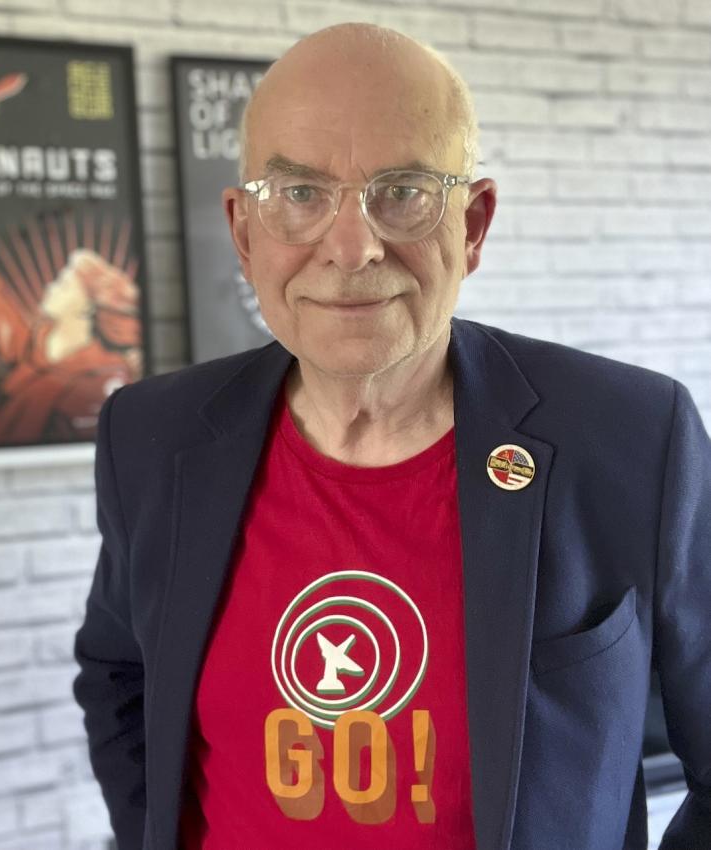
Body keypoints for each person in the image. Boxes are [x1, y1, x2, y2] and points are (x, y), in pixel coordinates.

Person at [73, 23, 711, 850]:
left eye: (402, 190)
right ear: (243, 232)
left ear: (473, 224)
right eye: (299, 196)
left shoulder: (630, 440)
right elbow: (120, 673)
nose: (351, 246)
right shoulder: (151, 437)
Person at [0, 201, 141, 443]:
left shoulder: (102, 377)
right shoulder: (38, 344)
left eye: (63, 284)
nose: (51, 286)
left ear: (87, 307)